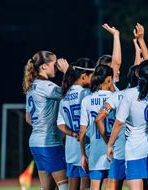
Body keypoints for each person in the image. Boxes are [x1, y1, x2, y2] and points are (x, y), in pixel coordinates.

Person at [107, 60, 148, 190]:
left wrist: (110, 144)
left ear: (137, 74)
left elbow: (119, 123)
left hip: (134, 150)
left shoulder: (129, 94)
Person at [23, 50, 70, 190]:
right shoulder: (46, 87)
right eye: (54, 64)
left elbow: (28, 118)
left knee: (47, 187)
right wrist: (67, 71)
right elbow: (70, 93)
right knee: (64, 184)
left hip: (35, 142)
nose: (56, 67)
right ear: (44, 66)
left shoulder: (32, 86)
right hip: (49, 142)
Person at [57, 58, 95, 189]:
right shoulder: (87, 94)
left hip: (71, 150)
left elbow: (60, 124)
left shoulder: (64, 96)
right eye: (93, 75)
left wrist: (73, 133)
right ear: (84, 76)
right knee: (87, 187)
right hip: (87, 148)